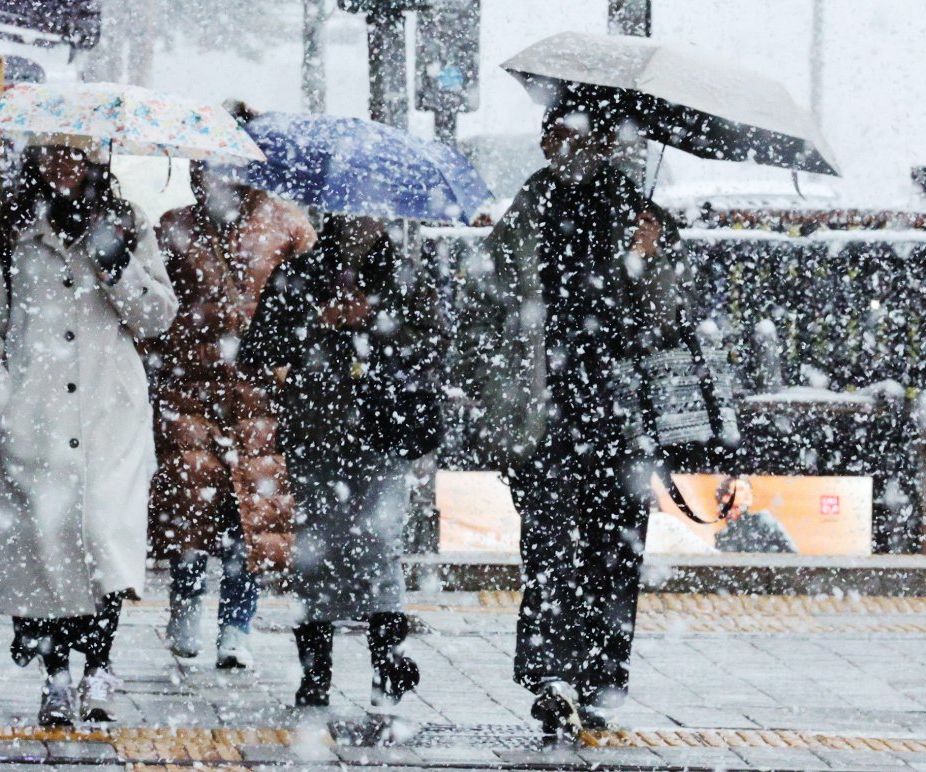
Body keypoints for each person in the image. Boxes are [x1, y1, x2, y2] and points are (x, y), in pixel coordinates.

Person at [457, 96, 694, 737]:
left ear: (593, 135)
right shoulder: (531, 208)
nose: (546, 141)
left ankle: (601, 675)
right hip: (546, 412)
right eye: (545, 129)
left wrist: (647, 266)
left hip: (621, 417)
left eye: (557, 128)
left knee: (613, 550)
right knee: (550, 547)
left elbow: (671, 323)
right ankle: (551, 673)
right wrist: (497, 390)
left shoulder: (644, 218)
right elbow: (482, 300)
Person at [0, 139, 177, 726]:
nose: (63, 165)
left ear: (95, 161)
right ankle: (56, 674)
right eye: (52, 154)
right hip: (36, 421)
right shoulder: (9, 231)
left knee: (105, 539)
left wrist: (115, 262)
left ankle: (99, 664)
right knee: (45, 553)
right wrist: (1, 402)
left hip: (111, 417)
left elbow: (159, 315)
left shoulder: (127, 224)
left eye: (75, 155)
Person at [240, 214, 442, 708]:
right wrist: (316, 323)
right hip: (317, 432)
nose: (361, 222)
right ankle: (316, 675)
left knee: (379, 540)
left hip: (384, 431)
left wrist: (376, 325)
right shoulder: (301, 273)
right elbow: (256, 350)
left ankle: (387, 664)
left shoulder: (405, 275)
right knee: (318, 551)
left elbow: (433, 347)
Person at [148, 161, 315, 669]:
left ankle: (237, 627)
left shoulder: (287, 226)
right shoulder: (175, 226)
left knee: (249, 517)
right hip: (190, 389)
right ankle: (185, 605)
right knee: (190, 508)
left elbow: (305, 300)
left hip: (258, 395)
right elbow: (156, 303)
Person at [714, 476, 797, 553]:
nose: (747, 492)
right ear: (726, 497)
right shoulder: (723, 536)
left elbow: (793, 555)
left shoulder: (763, 521)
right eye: (740, 489)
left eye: (749, 489)